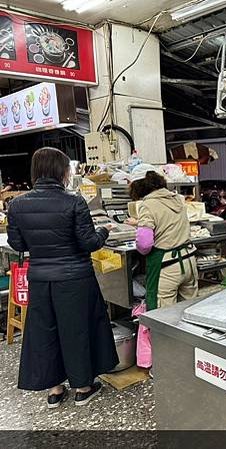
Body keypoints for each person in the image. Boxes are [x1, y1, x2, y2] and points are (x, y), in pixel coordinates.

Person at [7, 147, 118, 409]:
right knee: (76, 330)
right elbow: (89, 242)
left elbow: (17, 243)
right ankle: (82, 388)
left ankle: (55, 390)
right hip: (74, 278)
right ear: (62, 171)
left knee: (44, 331)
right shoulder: (74, 202)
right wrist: (105, 230)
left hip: (40, 279)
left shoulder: (17, 204)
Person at [127, 165, 199, 310]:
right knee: (189, 310)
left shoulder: (148, 205)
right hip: (189, 262)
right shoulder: (177, 199)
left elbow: (145, 244)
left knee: (164, 315)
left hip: (167, 266)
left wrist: (140, 227)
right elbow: (167, 222)